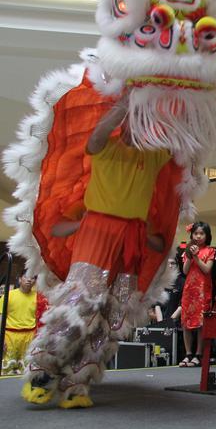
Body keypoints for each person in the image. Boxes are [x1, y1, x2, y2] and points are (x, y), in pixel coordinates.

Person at [22, 96, 171, 408]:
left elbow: (177, 140)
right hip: (98, 229)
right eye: (134, 120)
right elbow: (96, 137)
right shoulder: (106, 147)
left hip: (132, 237)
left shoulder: (156, 156)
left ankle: (77, 383)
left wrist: (162, 99)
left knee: (116, 312)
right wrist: (125, 104)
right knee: (82, 299)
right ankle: (43, 370)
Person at [179, 222, 215, 368]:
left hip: (202, 290)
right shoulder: (187, 251)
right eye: (196, 233)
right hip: (189, 290)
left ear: (207, 236)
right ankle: (188, 354)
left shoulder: (210, 251)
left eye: (202, 233)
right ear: (192, 235)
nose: (198, 236)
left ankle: (199, 354)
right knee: (186, 322)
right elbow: (185, 271)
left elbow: (206, 270)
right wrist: (189, 255)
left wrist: (196, 257)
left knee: (201, 323)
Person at [1, 275, 38, 376]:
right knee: (7, 368)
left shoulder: (38, 297)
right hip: (10, 335)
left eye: (32, 278)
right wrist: (1, 337)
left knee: (26, 370)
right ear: (20, 279)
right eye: (26, 277)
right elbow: (1, 317)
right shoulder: (8, 295)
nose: (29, 280)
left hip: (30, 335)